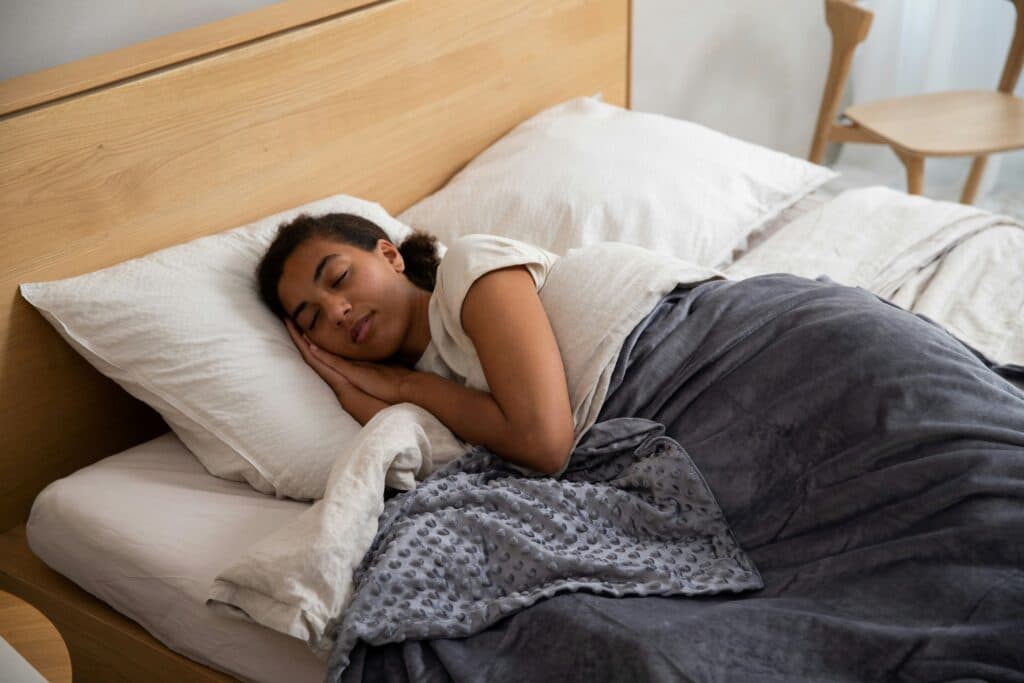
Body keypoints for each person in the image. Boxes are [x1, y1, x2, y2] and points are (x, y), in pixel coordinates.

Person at [256, 211, 720, 477]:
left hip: (702, 344)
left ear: (390, 255)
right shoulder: (422, 387)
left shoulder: (466, 269)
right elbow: (444, 459)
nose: (336, 311)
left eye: (339, 277)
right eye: (312, 319)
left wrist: (400, 386)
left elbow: (543, 444)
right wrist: (345, 387)